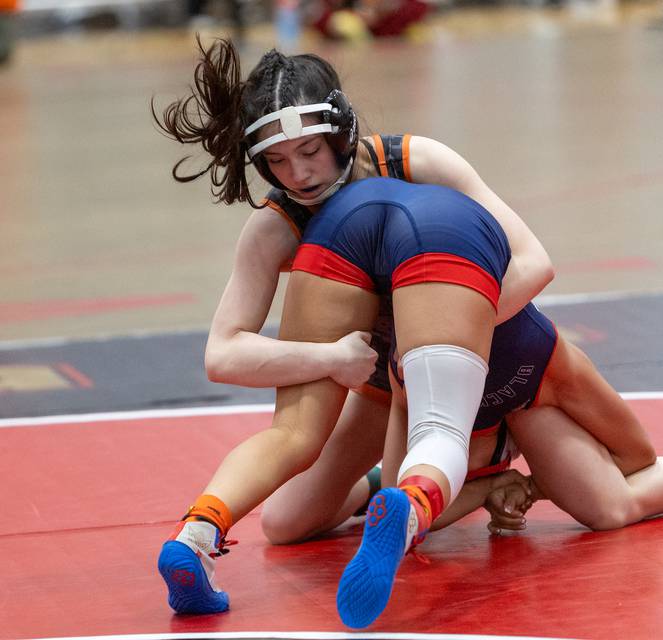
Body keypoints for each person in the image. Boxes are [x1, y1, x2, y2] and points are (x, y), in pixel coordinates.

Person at [152, 38, 556, 615]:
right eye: (277, 161)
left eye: (311, 150)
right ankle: (197, 535)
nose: (298, 174)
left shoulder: (419, 161)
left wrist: (439, 338)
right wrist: (330, 360)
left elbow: (534, 262)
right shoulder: (275, 226)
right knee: (288, 521)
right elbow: (222, 355)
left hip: (471, 348)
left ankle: (473, 471)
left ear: (342, 130)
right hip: (374, 374)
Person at [269, 176, 663, 629]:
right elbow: (408, 510)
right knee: (286, 521)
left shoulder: (540, 361)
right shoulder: (416, 369)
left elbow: (636, 457)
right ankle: (368, 488)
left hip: (517, 386)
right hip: (420, 379)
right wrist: (491, 488)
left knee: (610, 507)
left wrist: (537, 484)